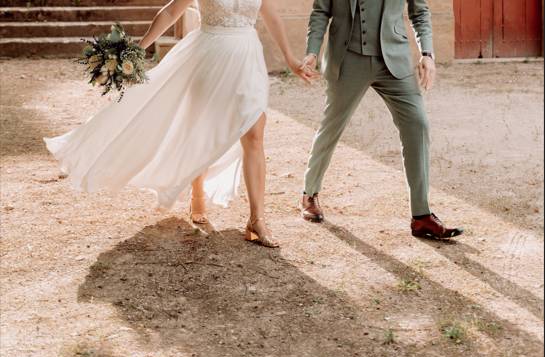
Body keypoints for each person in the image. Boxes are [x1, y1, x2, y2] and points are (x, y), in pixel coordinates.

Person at [43, 0, 317, 248]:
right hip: (209, 58)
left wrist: (291, 60)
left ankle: (256, 220)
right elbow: (172, 11)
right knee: (203, 130)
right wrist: (139, 49)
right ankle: (197, 196)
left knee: (255, 133)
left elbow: (273, 17)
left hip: (247, 59)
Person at [298, 0, 464, 239]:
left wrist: (427, 53)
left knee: (417, 124)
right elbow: (321, 11)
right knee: (331, 126)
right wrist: (312, 51)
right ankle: (309, 193)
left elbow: (420, 11)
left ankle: (421, 216)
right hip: (348, 58)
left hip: (394, 59)